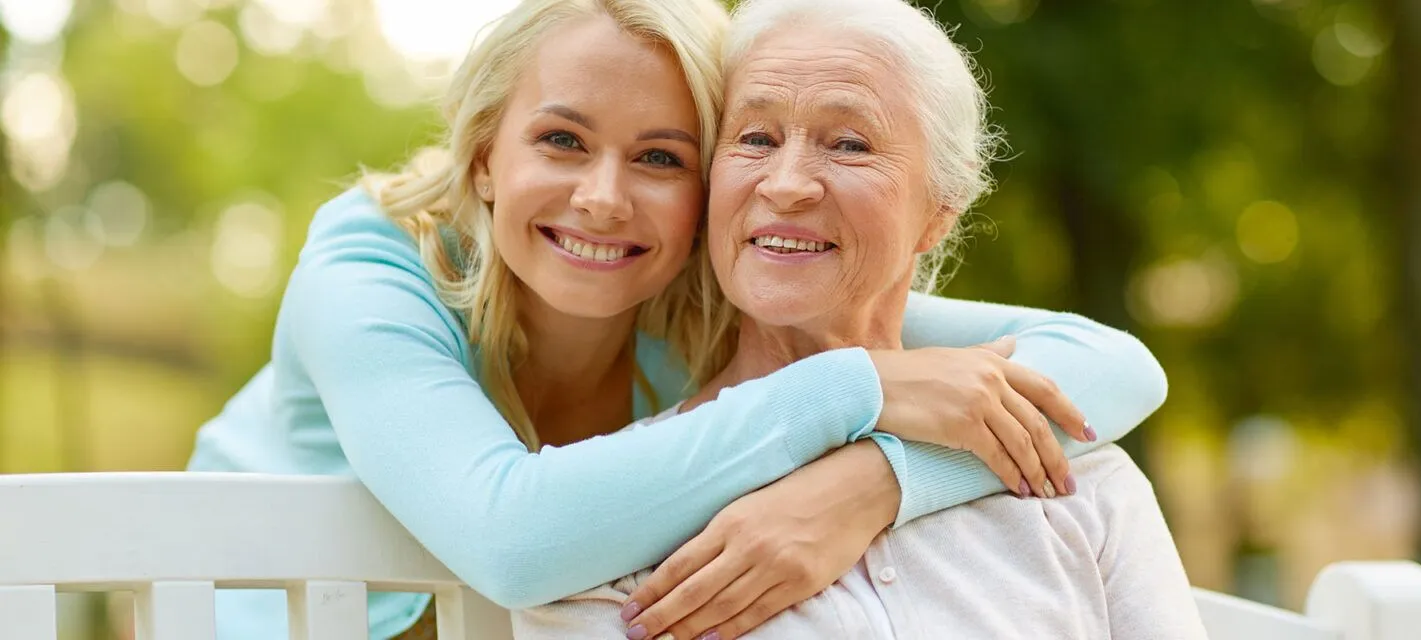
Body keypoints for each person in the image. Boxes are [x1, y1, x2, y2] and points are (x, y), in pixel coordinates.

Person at [186, 0, 1168, 637]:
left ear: (703, 189)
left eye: (661, 157)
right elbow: (513, 539)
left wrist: (875, 482)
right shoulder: (372, 260)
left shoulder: (697, 281)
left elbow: (1110, 365)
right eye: (562, 140)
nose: (604, 200)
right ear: (483, 157)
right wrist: (859, 386)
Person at [508, 0, 1206, 638]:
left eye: (849, 145)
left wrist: (881, 478)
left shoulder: (1080, 477)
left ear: (941, 208)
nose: (786, 184)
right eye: (755, 137)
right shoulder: (608, 534)